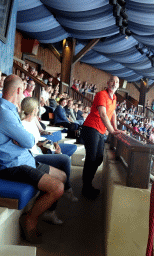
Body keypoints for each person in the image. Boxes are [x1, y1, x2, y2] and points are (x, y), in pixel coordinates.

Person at [0, 75, 66, 242]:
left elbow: (26, 140)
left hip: (26, 160)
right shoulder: (4, 112)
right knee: (57, 187)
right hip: (13, 166)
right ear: (19, 90)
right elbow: (29, 141)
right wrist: (22, 140)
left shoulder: (10, 109)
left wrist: (21, 139)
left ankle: (45, 212)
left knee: (62, 176)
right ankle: (30, 219)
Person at [20, 97, 78, 202]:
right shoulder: (22, 124)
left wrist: (53, 143)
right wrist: (44, 146)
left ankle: (59, 164)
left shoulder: (33, 120)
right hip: (35, 155)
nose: (38, 109)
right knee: (65, 159)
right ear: (34, 109)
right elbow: (29, 145)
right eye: (37, 108)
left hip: (41, 148)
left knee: (71, 149)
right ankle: (67, 189)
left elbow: (39, 136)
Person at [81, 76, 123, 200]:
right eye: (112, 81)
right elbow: (103, 114)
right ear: (108, 83)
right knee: (91, 158)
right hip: (91, 128)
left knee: (98, 158)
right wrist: (111, 131)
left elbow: (113, 113)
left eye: (116, 82)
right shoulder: (101, 94)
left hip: (100, 131)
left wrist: (115, 128)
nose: (114, 83)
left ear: (118, 86)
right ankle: (86, 187)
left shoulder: (114, 98)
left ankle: (88, 183)